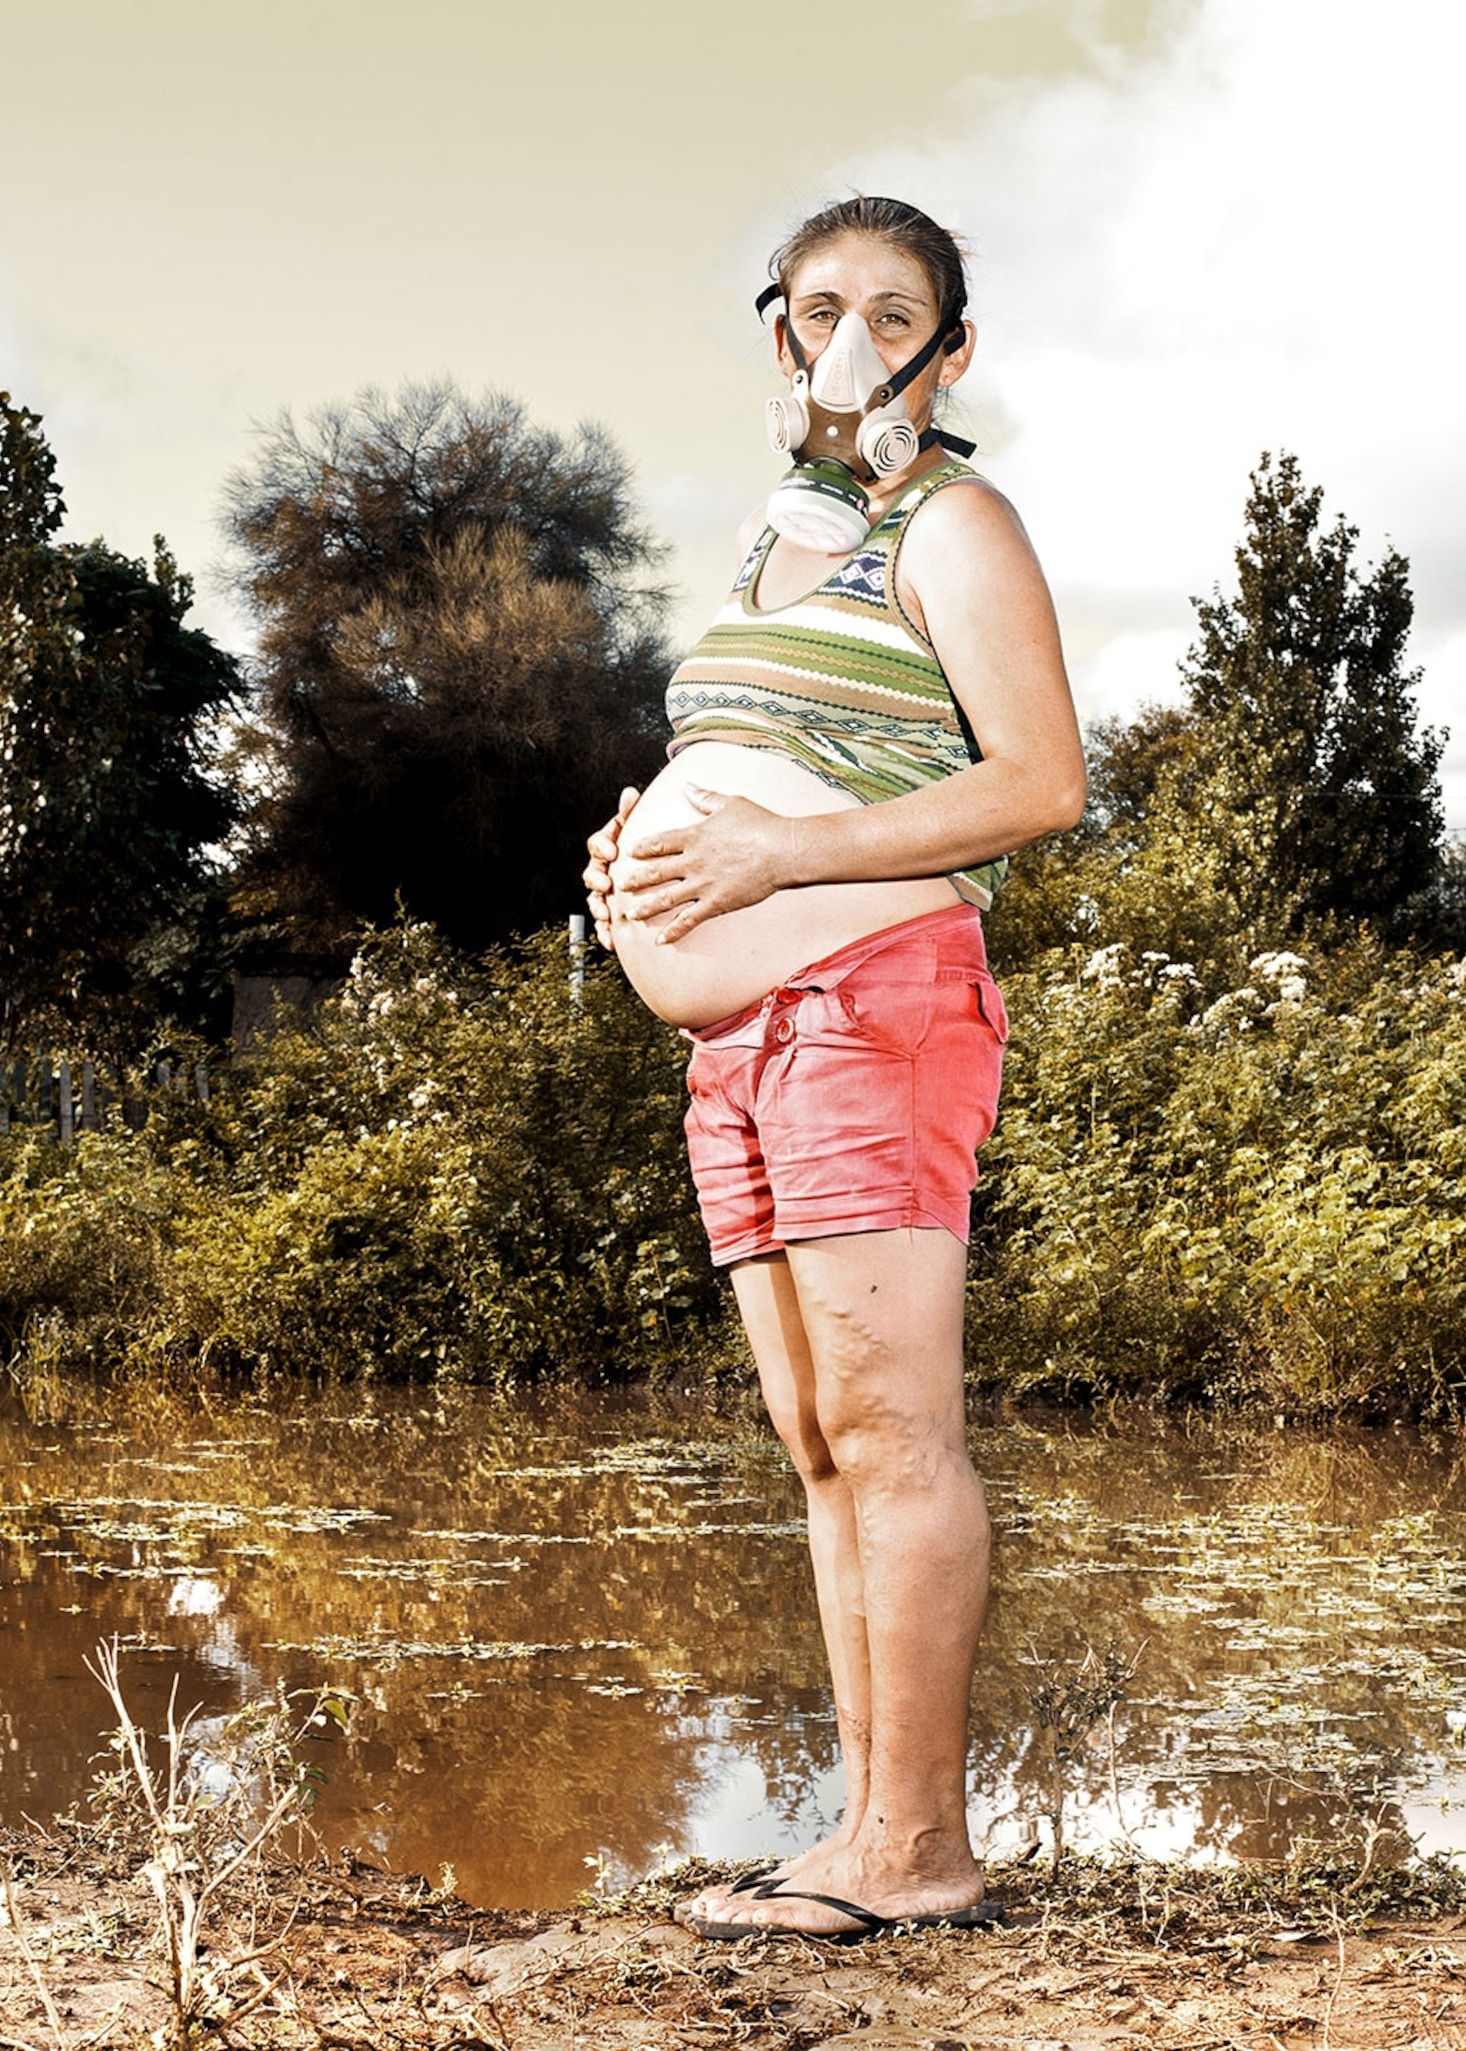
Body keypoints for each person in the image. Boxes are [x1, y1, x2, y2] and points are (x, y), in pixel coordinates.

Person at [580, 196, 1086, 1943]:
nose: (852, 339)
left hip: (873, 1003)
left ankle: (918, 1852)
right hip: (741, 1038)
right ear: (777, 331)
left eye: (893, 308)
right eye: (817, 307)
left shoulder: (955, 520)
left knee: (890, 1429)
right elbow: (755, 755)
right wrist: (641, 854)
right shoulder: (769, 540)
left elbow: (1038, 784)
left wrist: (775, 856)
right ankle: (866, 1828)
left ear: (952, 346)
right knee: (815, 1438)